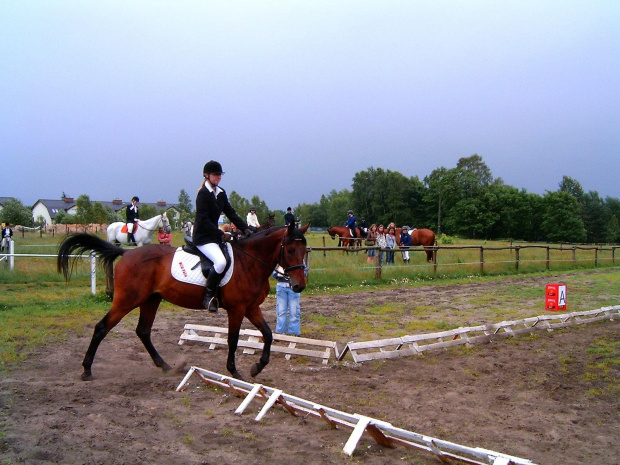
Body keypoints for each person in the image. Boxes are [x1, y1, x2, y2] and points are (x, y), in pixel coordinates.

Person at [193, 160, 251, 312]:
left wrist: (246, 228)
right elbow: (203, 220)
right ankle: (208, 296)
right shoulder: (203, 195)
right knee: (220, 262)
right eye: (215, 174)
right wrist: (220, 233)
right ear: (207, 176)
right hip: (203, 237)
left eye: (220, 174)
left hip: (214, 236)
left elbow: (231, 213)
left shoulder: (221, 193)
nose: (218, 177)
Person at [272, 265, 302, 336]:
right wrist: (276, 274)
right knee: (281, 310)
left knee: (294, 310)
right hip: (281, 287)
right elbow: (272, 270)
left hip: (294, 286)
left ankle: (294, 332)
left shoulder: (296, 257)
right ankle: (280, 331)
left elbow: (304, 270)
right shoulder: (280, 258)